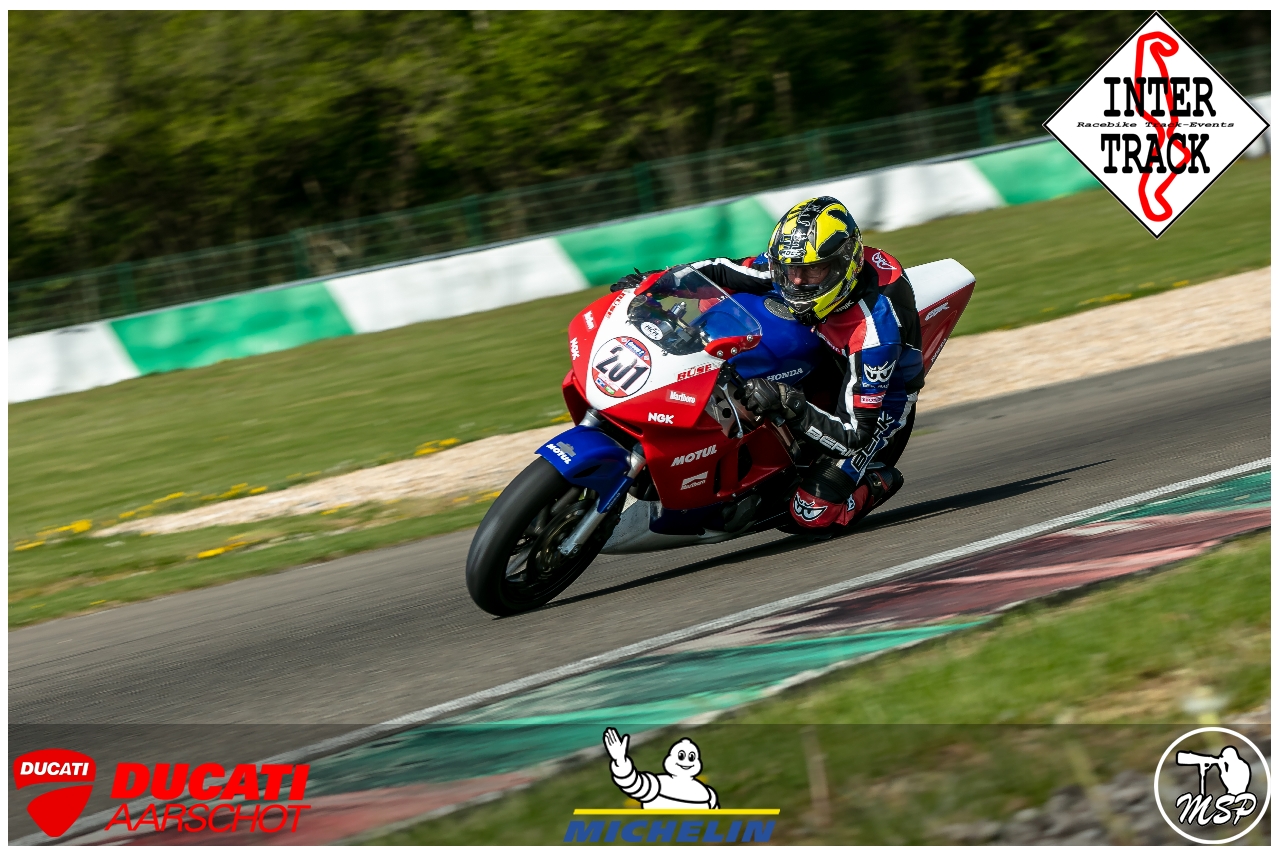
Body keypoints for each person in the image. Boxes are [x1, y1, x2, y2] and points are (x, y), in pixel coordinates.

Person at [613, 196, 921, 532]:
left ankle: (875, 480)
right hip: (823, 342)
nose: (796, 281)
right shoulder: (792, 265)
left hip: (878, 402)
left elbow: (854, 435)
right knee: (717, 309)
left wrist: (790, 403)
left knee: (810, 514)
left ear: (843, 265)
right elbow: (723, 270)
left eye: (811, 271)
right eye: (790, 270)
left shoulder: (874, 333)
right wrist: (658, 282)